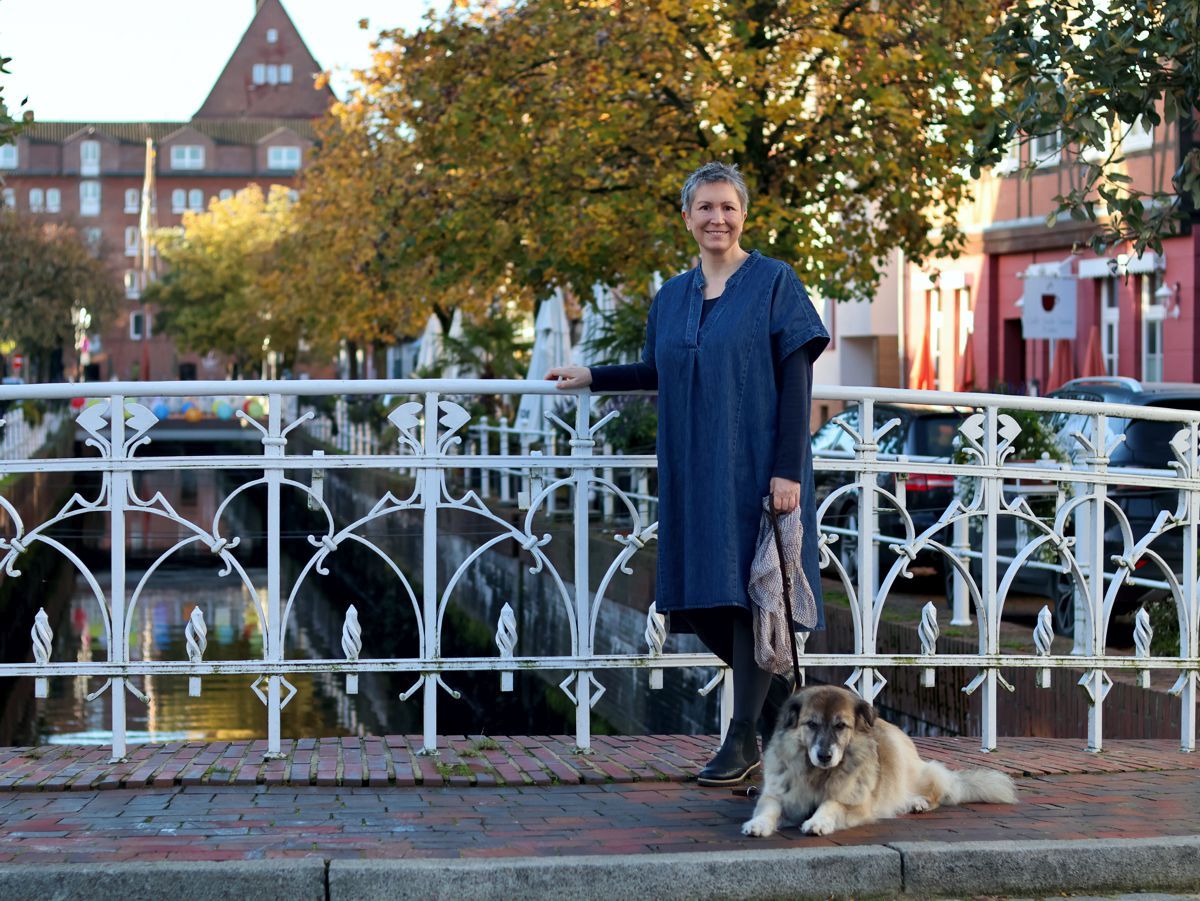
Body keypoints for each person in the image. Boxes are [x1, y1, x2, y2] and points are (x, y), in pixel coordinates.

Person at [547, 162, 829, 786]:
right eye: (705, 208)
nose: (717, 219)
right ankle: (796, 717)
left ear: (743, 215)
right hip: (693, 471)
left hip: (759, 469)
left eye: (727, 208)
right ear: (687, 218)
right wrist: (594, 376)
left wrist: (787, 471)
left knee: (751, 604)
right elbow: (658, 371)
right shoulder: (671, 297)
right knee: (701, 601)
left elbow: (796, 384)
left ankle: (742, 738)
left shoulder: (776, 282)